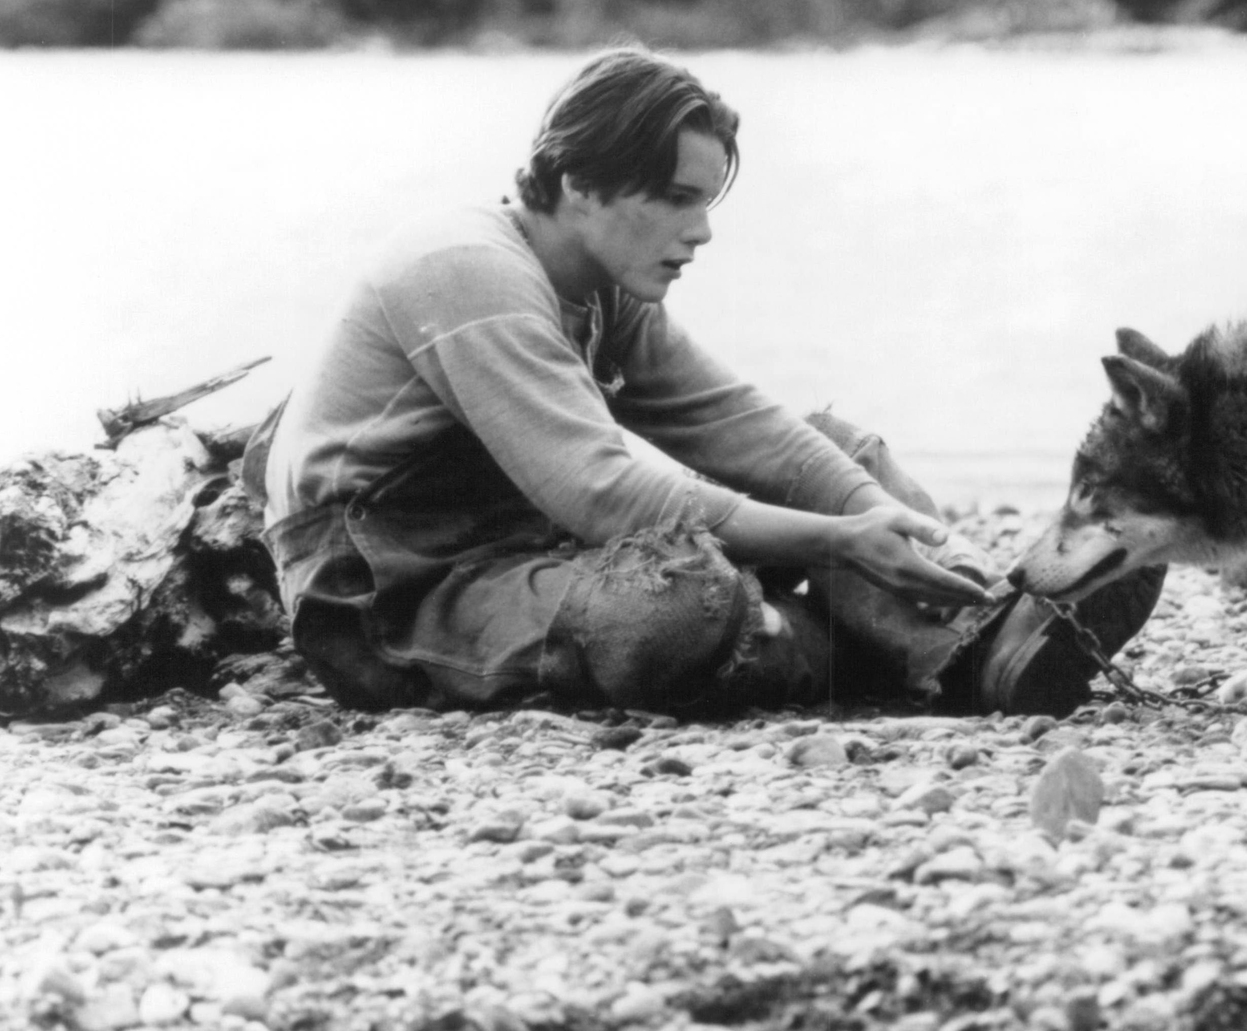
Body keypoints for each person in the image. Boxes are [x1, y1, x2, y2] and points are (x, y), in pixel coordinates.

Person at [245, 46, 1162, 719]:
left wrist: (869, 514)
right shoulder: (465, 268)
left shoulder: (604, 283)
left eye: (707, 202)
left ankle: (974, 636)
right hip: (391, 589)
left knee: (837, 450)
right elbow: (601, 489)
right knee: (682, 606)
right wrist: (842, 542)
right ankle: (901, 651)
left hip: (522, 543)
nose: (701, 233)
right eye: (677, 200)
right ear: (576, 180)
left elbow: (738, 424)